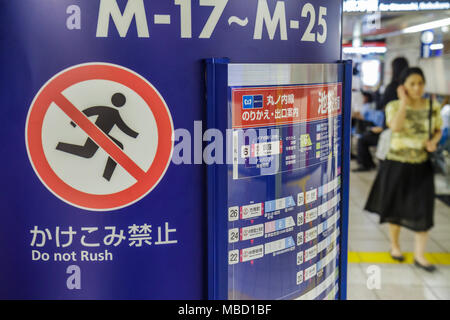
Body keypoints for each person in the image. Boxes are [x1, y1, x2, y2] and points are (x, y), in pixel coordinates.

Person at [364, 67, 443, 272]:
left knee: (423, 208)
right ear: (403, 87)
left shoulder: (432, 106)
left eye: (420, 83)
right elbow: (396, 127)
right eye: (412, 84)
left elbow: (438, 129)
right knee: (395, 207)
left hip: (421, 163)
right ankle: (395, 245)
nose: (417, 88)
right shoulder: (394, 106)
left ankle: (419, 254)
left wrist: (434, 141)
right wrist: (405, 104)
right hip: (396, 163)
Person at [352, 92, 385, 172]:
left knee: (362, 140)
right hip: (374, 130)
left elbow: (382, 127)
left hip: (381, 133)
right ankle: (369, 163)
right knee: (363, 139)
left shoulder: (373, 109)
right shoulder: (369, 108)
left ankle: (365, 164)